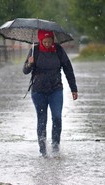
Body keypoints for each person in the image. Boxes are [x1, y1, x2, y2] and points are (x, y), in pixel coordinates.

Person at [23, 29, 78, 157]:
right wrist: (29, 64)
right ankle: (43, 150)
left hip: (56, 90)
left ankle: (55, 147)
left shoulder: (58, 50)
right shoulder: (34, 50)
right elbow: (25, 71)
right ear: (40, 40)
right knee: (42, 120)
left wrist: (73, 88)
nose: (48, 44)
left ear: (53, 40)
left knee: (57, 117)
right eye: (45, 41)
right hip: (38, 91)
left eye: (50, 41)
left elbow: (68, 69)